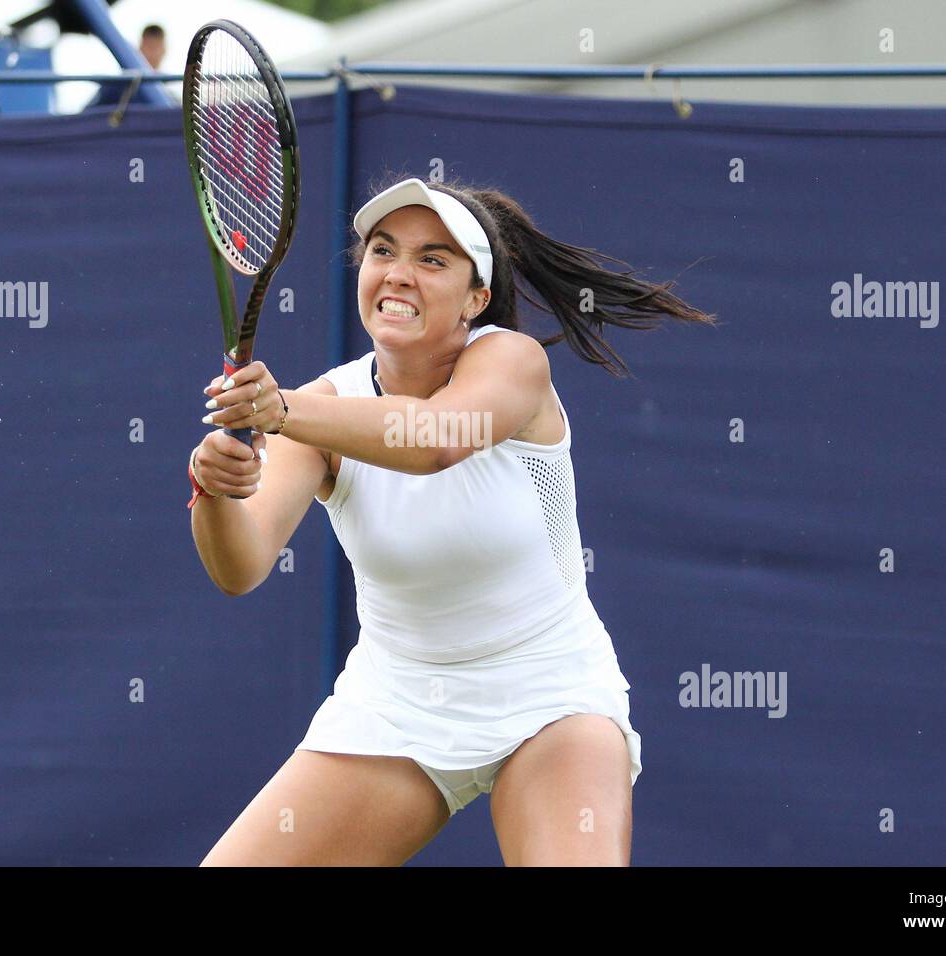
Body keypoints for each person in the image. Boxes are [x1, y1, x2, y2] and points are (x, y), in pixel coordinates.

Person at [189, 174, 716, 866]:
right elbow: (242, 565)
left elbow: (436, 438)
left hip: (551, 696)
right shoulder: (320, 408)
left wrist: (280, 410)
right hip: (395, 707)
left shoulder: (511, 363)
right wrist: (217, 491)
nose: (399, 274)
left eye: (432, 259)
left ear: (477, 298)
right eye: (383, 251)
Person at [82, 24, 166, 111]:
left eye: (156, 48)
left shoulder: (168, 91)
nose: (153, 54)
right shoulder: (120, 85)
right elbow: (88, 114)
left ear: (164, 50)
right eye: (150, 47)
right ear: (140, 48)